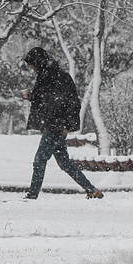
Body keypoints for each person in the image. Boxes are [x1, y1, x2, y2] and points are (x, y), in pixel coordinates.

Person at [19, 46, 103, 199]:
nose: (30, 68)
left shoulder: (54, 77)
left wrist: (65, 125)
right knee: (64, 163)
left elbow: (67, 103)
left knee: (39, 160)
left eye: (31, 64)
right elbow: (46, 99)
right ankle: (91, 190)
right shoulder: (48, 76)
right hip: (55, 125)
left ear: (38, 62)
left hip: (55, 126)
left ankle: (32, 195)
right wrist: (31, 95)